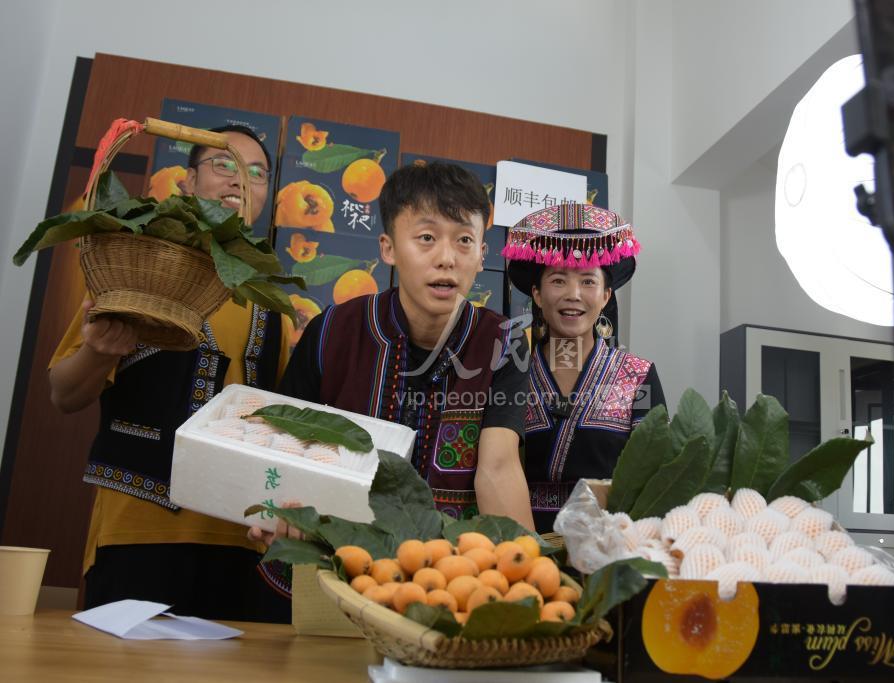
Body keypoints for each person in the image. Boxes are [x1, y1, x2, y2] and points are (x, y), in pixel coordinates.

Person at [48, 125, 292, 622]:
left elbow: (285, 432)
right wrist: (98, 351)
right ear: (187, 181)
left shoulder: (274, 305)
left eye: (257, 173)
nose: (239, 180)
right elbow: (64, 394)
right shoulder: (131, 269)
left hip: (243, 546)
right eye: (224, 164)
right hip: (135, 535)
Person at [270, 162, 535, 530]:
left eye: (464, 240)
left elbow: (499, 467)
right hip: (334, 548)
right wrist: (283, 513)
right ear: (389, 248)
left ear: (482, 255)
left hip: (449, 558)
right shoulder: (331, 331)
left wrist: (525, 560)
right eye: (427, 237)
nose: (446, 258)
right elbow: (286, 442)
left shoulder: (503, 342)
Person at [504, 203, 666, 533]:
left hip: (610, 542)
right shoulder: (511, 374)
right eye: (558, 280)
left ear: (606, 296)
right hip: (522, 542)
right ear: (537, 294)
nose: (573, 295)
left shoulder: (638, 376)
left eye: (588, 282)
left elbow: (656, 474)